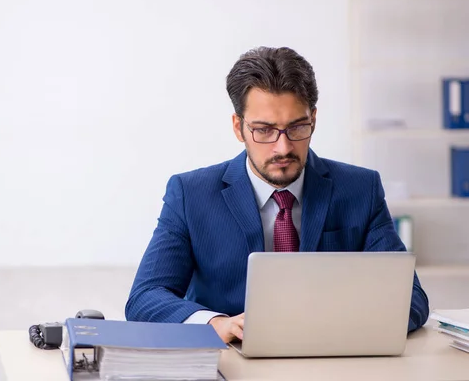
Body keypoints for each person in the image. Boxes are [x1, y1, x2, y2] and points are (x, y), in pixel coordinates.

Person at [124, 46, 429, 343]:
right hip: (232, 357)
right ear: (238, 127)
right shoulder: (191, 194)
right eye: (264, 130)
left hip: (335, 355)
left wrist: (343, 325)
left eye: (297, 128)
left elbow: (411, 298)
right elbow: (146, 297)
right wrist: (216, 323)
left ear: (313, 119)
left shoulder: (360, 189)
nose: (282, 148)